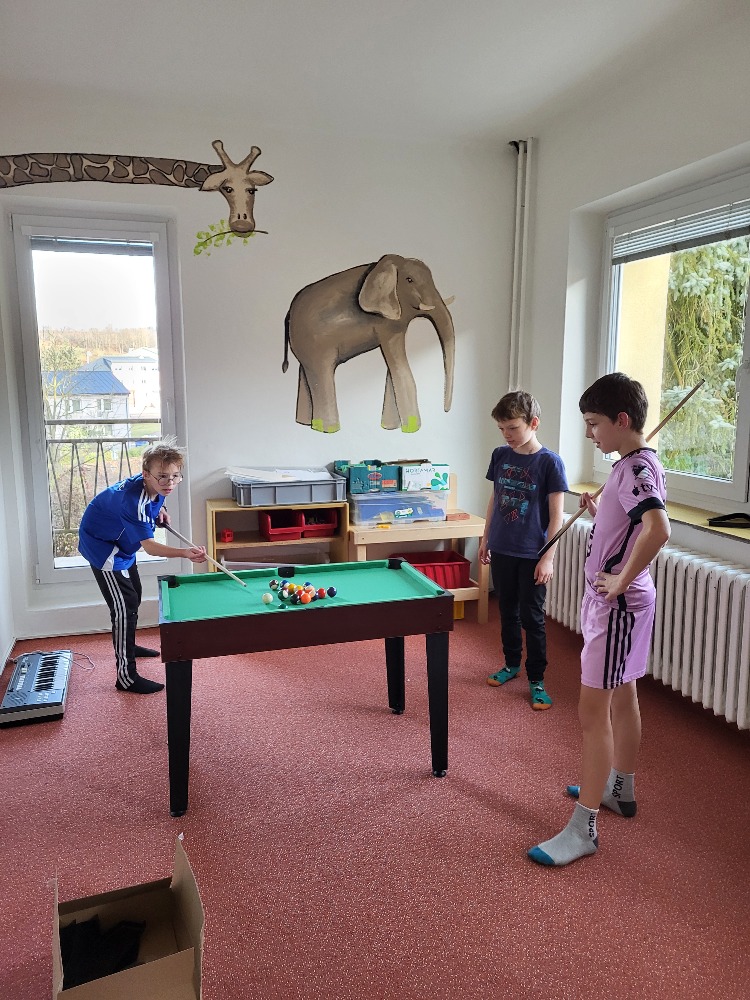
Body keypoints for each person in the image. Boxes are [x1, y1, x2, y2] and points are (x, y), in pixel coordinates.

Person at [528, 373, 670, 866]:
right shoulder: (630, 464)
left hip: (617, 608)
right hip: (621, 606)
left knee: (593, 716)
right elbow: (630, 521)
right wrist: (601, 507)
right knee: (623, 694)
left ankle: (582, 828)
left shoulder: (636, 468)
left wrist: (623, 579)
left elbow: (658, 528)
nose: (590, 433)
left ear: (621, 420)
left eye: (594, 424)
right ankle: (619, 789)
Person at [78, 439, 206, 694]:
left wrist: (161, 510)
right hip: (105, 549)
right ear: (146, 474)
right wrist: (184, 553)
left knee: (134, 597)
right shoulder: (133, 500)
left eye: (175, 476)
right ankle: (125, 677)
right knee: (124, 608)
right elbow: (150, 547)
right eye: (163, 477)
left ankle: (129, 645)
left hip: (122, 542)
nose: (169, 482)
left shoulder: (154, 485)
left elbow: (153, 503)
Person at [479, 390, 568, 710]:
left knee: (532, 617)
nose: (507, 435)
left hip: (533, 554)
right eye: (502, 428)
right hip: (503, 548)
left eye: (513, 428)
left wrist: (548, 557)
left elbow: (557, 516)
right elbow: (495, 497)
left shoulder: (549, 462)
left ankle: (536, 679)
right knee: (507, 611)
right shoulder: (500, 455)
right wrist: (486, 538)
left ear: (534, 423)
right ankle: (511, 664)